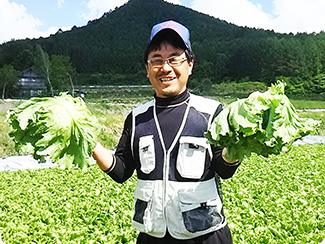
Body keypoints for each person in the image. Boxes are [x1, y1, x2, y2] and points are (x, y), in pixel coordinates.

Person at [92, 20, 240, 244]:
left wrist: (241, 144)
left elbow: (224, 169)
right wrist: (87, 141)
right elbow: (121, 171)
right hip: (153, 236)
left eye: (174, 59)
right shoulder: (137, 118)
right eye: (157, 60)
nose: (165, 67)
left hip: (205, 236)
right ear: (147, 69)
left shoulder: (211, 113)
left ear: (190, 65)